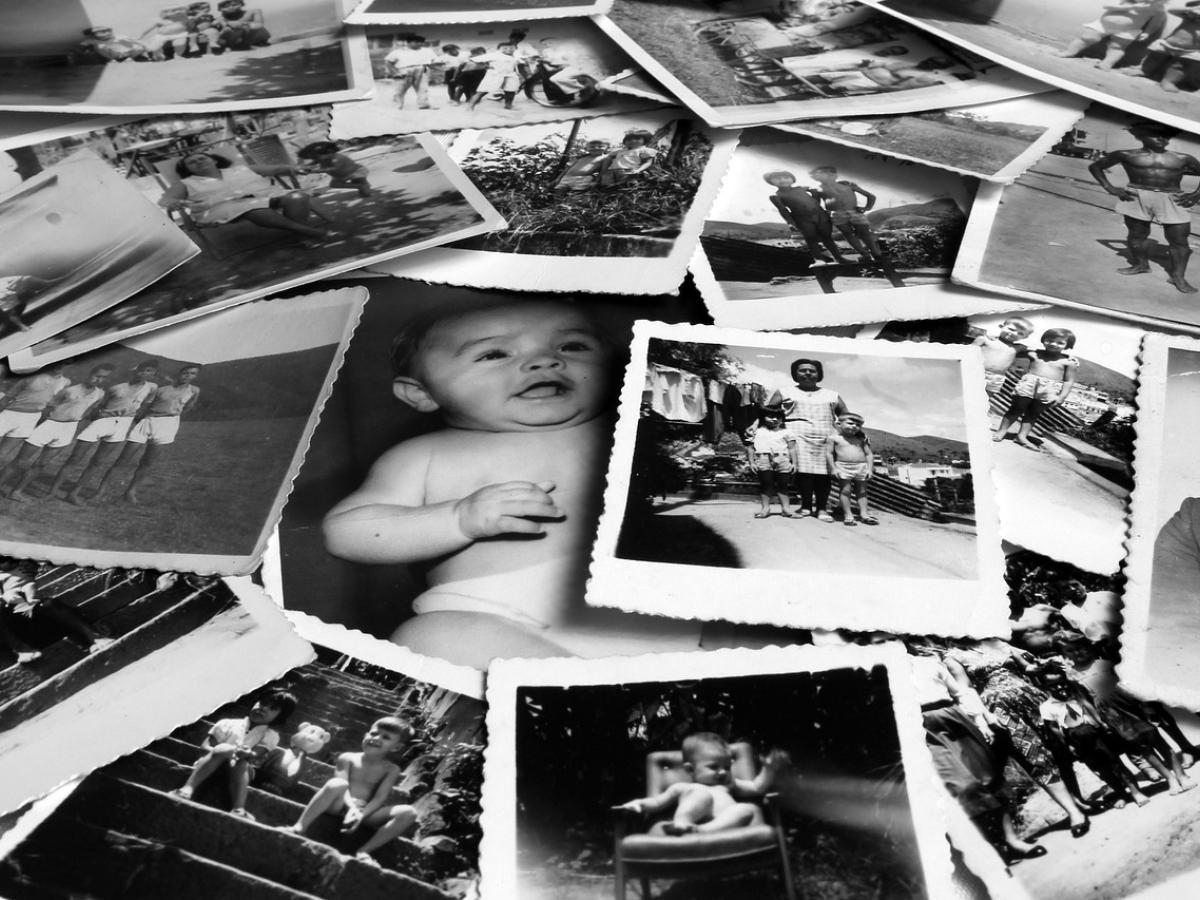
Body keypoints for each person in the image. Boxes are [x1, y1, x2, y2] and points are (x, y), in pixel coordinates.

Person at [322, 299, 699, 665]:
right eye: (494, 354)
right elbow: (346, 532)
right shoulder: (422, 455)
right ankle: (582, 696)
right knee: (427, 637)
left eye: (572, 346)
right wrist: (456, 518)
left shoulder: (627, 430)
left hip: (653, 615)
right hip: (499, 620)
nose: (545, 360)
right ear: (421, 393)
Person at [943, 640, 1092, 837]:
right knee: (1035, 757)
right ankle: (1074, 813)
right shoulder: (953, 657)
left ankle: (1078, 800)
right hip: (1000, 709)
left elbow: (1027, 667)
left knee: (1058, 747)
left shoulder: (995, 642)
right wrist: (986, 716)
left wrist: (1044, 666)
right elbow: (966, 690)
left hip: (1030, 697)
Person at [282, 717, 418, 865]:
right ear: (366, 735)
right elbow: (342, 784)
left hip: (366, 812)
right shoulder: (347, 758)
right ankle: (300, 826)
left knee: (409, 812)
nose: (376, 738)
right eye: (374, 733)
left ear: (396, 747)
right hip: (339, 803)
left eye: (386, 737)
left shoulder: (391, 769)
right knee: (336, 783)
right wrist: (352, 807)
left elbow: (380, 797)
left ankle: (364, 851)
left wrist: (360, 814)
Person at [1088, 121, 1200, 293]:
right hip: (1137, 195)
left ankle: (1178, 277)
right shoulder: (1125, 155)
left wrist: (1196, 194)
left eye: (1166, 136)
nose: (1162, 139)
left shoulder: (1182, 158)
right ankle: (1141, 265)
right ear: (1140, 136)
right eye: (1156, 135)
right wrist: (1110, 187)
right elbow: (1095, 167)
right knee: (1137, 235)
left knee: (1179, 240)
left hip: (1172, 198)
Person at [617, 733, 788, 835]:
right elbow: (656, 802)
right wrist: (638, 804)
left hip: (723, 827)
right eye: (714, 767)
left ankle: (701, 831)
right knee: (700, 795)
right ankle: (683, 823)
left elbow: (757, 787)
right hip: (690, 823)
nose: (723, 772)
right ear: (690, 769)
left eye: (727, 767)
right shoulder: (682, 788)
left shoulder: (729, 785)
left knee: (747, 809)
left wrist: (769, 769)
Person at [160, 151, 336, 244]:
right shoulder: (185, 183)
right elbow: (165, 200)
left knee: (297, 196)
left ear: (214, 160)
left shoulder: (242, 169)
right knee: (256, 210)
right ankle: (308, 233)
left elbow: (276, 169)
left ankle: (302, 234)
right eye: (192, 162)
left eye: (202, 158)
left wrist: (295, 168)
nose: (198, 162)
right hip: (221, 207)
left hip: (265, 196)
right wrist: (174, 202)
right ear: (187, 169)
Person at [49, 360, 159, 506]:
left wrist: (135, 416)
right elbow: (99, 405)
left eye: (149, 371)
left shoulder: (152, 388)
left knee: (97, 461)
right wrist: (100, 415)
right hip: (103, 421)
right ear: (136, 370)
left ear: (153, 374)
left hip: (122, 425)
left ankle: (74, 493)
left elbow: (146, 404)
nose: (144, 373)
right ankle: (51, 492)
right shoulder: (116, 388)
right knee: (76, 457)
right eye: (142, 370)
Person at [1037, 668, 1152, 808]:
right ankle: (1121, 793)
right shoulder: (1046, 707)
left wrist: (1101, 723)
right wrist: (1068, 744)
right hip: (1077, 740)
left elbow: (1089, 707)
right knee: (1102, 770)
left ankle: (1135, 792)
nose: (1060, 687)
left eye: (1062, 682)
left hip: (1095, 734)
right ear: (1045, 687)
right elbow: (1053, 727)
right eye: (1053, 685)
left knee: (1116, 764)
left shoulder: (1075, 695)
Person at [174, 690, 298, 820]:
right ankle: (187, 788)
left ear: (280, 717)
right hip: (211, 762)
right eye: (263, 702)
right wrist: (226, 751)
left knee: (242, 762)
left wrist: (245, 753)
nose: (264, 708)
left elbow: (256, 754)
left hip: (242, 770)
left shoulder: (271, 735)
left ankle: (238, 807)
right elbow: (204, 747)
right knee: (222, 749)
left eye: (272, 708)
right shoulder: (227, 723)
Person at [0, 364, 113, 502]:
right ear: (90, 374)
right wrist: (41, 424)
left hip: (68, 429)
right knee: (21, 460)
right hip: (50, 424)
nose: (99, 379)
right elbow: (49, 406)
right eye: (97, 376)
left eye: (103, 378)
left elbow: (89, 411)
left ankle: (16, 491)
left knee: (41, 463)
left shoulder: (100, 394)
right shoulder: (69, 389)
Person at [92, 364, 202, 505]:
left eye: (192, 374)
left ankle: (130, 492)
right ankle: (100, 492)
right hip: (148, 421)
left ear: (195, 376)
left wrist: (173, 414)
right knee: (124, 459)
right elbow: (145, 405)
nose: (188, 376)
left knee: (147, 462)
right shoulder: (160, 389)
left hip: (168, 424)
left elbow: (189, 406)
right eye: (185, 372)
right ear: (179, 373)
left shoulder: (194, 390)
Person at [0, 556, 113, 665]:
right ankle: (21, 649)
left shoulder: (22, 567)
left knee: (48, 604)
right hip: (17, 628)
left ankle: (94, 636)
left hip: (40, 616)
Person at [782, 357, 848, 521]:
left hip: (826, 438)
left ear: (819, 374)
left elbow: (846, 415)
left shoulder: (832, 395)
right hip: (797, 437)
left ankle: (822, 509)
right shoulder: (784, 392)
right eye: (802, 370)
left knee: (824, 475)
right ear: (795, 373)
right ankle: (805, 506)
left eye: (812, 371)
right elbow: (769, 412)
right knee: (803, 474)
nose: (807, 373)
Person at [992, 328, 1078, 449]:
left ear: (1068, 345)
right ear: (1043, 340)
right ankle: (1002, 431)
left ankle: (1022, 436)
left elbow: (1069, 381)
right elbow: (1012, 350)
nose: (1054, 344)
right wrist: (996, 341)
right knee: (1016, 408)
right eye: (1050, 340)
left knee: (1034, 413)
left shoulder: (1069, 362)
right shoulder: (1034, 353)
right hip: (1028, 385)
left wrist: (1062, 397)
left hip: (1049, 390)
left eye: (1060, 343)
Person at [762, 170, 845, 265]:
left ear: (792, 179)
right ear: (771, 182)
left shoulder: (801, 189)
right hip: (802, 219)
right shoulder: (776, 196)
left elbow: (815, 202)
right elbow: (783, 210)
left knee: (827, 237)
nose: (782, 180)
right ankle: (819, 260)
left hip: (820, 215)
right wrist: (790, 222)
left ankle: (839, 258)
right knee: (811, 239)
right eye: (777, 178)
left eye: (786, 177)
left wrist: (815, 193)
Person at [1057, 0, 1167, 69]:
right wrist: (1131, 7)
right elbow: (1107, 6)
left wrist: (1147, 32)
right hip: (1103, 25)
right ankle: (1069, 52)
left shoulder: (1157, 9)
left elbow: (1155, 23)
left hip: (1127, 31)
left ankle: (1107, 63)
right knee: (1087, 38)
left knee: (1117, 47)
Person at [0, 364, 72, 469]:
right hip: (10, 413)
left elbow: (52, 404)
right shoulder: (32, 376)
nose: (60, 366)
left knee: (2, 454)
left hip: (31, 418)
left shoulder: (65, 382)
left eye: (64, 364)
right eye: (58, 362)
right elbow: (7, 397)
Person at [809, 166, 885, 261]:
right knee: (848, 234)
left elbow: (871, 196)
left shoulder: (848, 185)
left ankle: (876, 253)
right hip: (836, 214)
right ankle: (865, 254)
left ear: (833, 175)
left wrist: (867, 208)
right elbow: (816, 204)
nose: (817, 176)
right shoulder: (817, 190)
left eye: (821, 173)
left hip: (855, 212)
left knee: (864, 232)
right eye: (815, 175)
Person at [745, 404, 798, 519]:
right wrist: (752, 462)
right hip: (763, 459)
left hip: (782, 459)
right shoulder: (756, 431)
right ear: (763, 417)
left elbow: (792, 448)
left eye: (778, 417)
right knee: (766, 484)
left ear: (782, 419)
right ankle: (765, 509)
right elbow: (750, 448)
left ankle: (786, 509)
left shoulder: (787, 432)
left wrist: (794, 463)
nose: (774, 419)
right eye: (770, 416)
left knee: (783, 484)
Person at [826, 412, 876, 526]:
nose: (854, 426)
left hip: (861, 466)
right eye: (850, 423)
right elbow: (829, 453)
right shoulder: (834, 438)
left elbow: (869, 454)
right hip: (843, 466)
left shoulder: (861, 439)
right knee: (845, 490)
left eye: (858, 425)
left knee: (862, 491)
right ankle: (848, 515)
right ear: (839, 424)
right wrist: (833, 468)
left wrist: (869, 469)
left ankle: (864, 514)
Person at [1141, 1, 1200, 90]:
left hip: (1189, 52)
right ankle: (1144, 70)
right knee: (1154, 57)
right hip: (1167, 44)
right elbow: (1171, 10)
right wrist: (1191, 9)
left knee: (1179, 67)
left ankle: (1168, 81)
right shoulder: (1188, 17)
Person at [972, 317, 1035, 397]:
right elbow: (967, 353)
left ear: (1025, 337)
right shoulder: (985, 340)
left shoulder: (1018, 347)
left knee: (983, 399)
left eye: (1021, 333)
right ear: (1001, 326)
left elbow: (1038, 351)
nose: (1014, 334)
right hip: (975, 372)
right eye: (1011, 329)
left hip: (996, 379)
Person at [297, 142, 372, 198]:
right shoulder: (322, 158)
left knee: (365, 192)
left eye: (318, 156)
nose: (317, 158)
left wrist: (313, 171)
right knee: (334, 184)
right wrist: (305, 167)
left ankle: (363, 186)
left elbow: (332, 169)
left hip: (354, 172)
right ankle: (360, 186)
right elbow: (314, 162)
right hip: (340, 175)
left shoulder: (338, 158)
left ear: (329, 153)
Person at [468, 42, 522, 111]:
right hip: (494, 75)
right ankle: (470, 107)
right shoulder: (494, 55)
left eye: (511, 48)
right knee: (482, 92)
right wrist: (486, 66)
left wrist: (518, 74)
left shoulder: (515, 56)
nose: (508, 50)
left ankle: (508, 105)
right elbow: (473, 60)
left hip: (510, 75)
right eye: (505, 48)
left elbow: (517, 65)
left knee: (511, 92)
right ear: (499, 49)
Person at [386, 35, 435, 110]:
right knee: (399, 90)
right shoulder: (399, 51)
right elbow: (388, 62)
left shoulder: (427, 51)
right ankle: (396, 105)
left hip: (421, 69)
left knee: (423, 88)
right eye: (416, 42)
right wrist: (395, 73)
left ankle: (424, 104)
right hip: (404, 70)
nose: (419, 44)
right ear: (408, 42)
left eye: (421, 42)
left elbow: (434, 61)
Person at [74, 27, 153, 63]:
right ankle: (121, 59)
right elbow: (82, 46)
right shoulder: (93, 41)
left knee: (141, 47)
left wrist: (148, 49)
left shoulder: (119, 37)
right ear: (93, 35)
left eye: (108, 31)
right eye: (102, 32)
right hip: (115, 56)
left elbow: (136, 41)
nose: (107, 33)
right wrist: (79, 50)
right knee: (102, 46)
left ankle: (142, 58)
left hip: (130, 53)